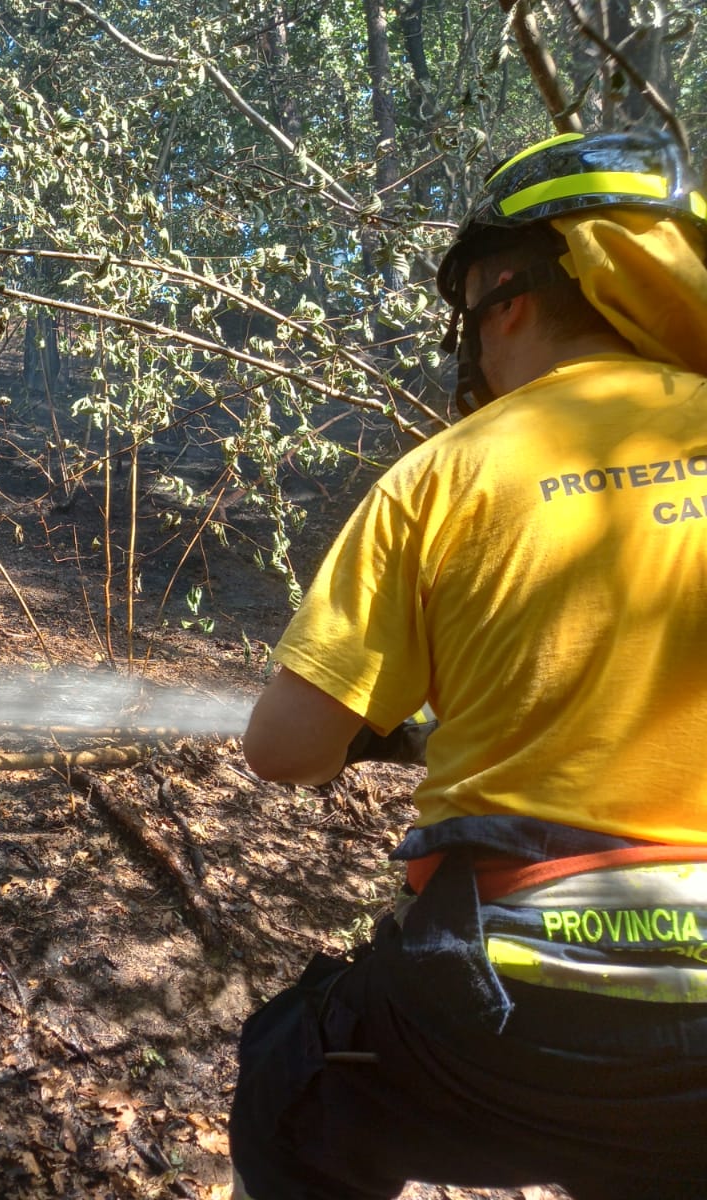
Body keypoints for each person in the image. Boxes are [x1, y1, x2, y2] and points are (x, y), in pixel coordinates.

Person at [227, 128, 707, 1200]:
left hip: (505, 1024)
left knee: (293, 1088)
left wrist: (369, 730)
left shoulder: (442, 475)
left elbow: (283, 750)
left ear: (507, 296)